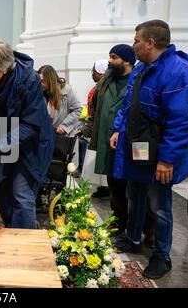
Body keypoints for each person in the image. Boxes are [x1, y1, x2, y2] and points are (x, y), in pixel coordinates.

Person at [110, 20, 188, 279]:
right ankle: (133, 238)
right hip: (138, 146)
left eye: (136, 40)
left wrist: (166, 160)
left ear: (150, 43)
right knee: (135, 196)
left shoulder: (178, 71)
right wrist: (117, 129)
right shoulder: (142, 68)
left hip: (159, 152)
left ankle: (161, 256)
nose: (133, 44)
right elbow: (128, 103)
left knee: (160, 206)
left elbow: (180, 120)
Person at [0, 39, 55, 229]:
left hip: (30, 145)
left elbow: (31, 125)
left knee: (22, 196)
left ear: (5, 68)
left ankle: (23, 249)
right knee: (2, 193)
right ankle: (12, 236)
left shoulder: (29, 80)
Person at [78, 44, 155, 239]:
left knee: (139, 189)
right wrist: (86, 130)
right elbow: (94, 109)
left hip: (133, 144)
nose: (110, 61)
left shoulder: (139, 80)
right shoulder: (105, 82)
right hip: (108, 142)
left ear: (127, 61)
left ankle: (149, 228)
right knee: (115, 187)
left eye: (114, 57)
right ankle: (118, 222)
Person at [38, 65, 82, 137]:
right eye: (39, 81)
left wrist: (64, 126)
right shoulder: (40, 93)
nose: (40, 84)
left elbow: (77, 110)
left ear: (50, 80)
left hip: (63, 137)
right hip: (46, 136)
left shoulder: (66, 90)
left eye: (43, 81)